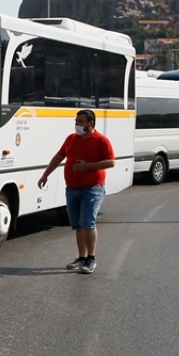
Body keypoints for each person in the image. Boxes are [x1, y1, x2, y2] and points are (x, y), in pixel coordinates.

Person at [37, 109, 116, 275]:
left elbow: (111, 162)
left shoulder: (101, 140)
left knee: (88, 222)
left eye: (80, 122)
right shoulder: (71, 139)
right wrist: (45, 175)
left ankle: (91, 259)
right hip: (72, 188)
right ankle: (82, 257)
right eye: (76, 121)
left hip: (93, 188)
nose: (77, 124)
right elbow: (58, 157)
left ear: (90, 124)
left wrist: (87, 166)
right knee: (78, 225)